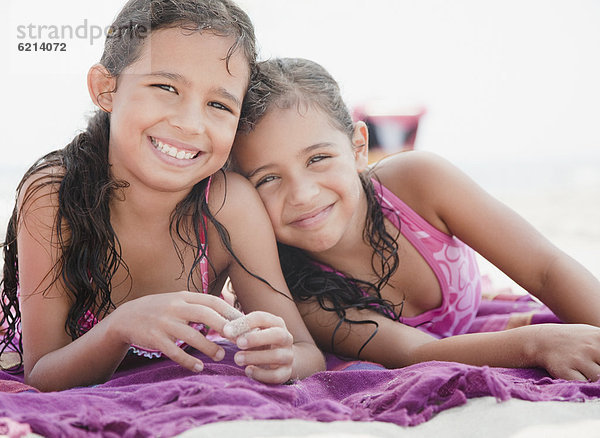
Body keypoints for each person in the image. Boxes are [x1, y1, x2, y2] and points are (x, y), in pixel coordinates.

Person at [0, 2, 325, 392]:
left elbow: (307, 352)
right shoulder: (54, 197)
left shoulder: (226, 206)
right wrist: (120, 327)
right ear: (107, 88)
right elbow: (42, 374)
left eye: (219, 105)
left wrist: (280, 358)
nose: (189, 123)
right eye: (166, 87)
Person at [231, 57, 600, 382]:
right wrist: (537, 343)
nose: (302, 194)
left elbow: (544, 269)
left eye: (318, 159)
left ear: (358, 148)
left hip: (479, 311)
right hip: (424, 348)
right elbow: (415, 354)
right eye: (268, 179)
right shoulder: (299, 290)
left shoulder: (417, 182)